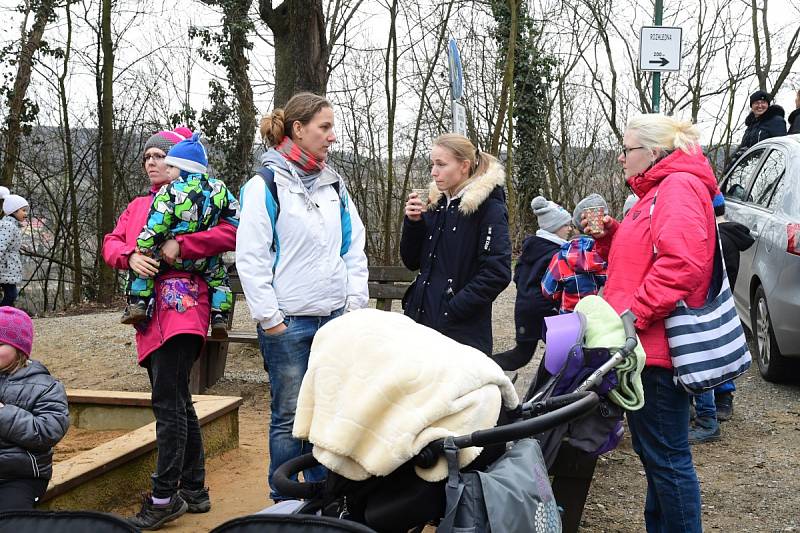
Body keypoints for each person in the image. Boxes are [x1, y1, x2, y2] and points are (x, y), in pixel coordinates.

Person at [585, 114, 719, 532]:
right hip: (645, 343)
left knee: (667, 458)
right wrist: (611, 235)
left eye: (626, 150)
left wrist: (634, 316)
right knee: (657, 455)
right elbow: (648, 252)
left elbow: (682, 265)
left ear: (654, 153)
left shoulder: (676, 188)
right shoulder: (659, 191)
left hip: (655, 346)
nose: (621, 158)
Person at [236, 92, 369, 502]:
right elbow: (252, 257)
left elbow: (353, 248)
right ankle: (288, 502)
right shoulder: (265, 185)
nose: (332, 137)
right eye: (324, 127)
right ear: (298, 129)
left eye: (332, 127)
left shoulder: (334, 185)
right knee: (290, 416)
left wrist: (352, 306)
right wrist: (270, 318)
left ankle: (323, 500)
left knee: (329, 414)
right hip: (289, 324)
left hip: (333, 321)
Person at [103, 127, 237, 530]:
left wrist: (185, 246)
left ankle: (164, 497)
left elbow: (232, 231)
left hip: (184, 307)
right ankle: (194, 489)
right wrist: (129, 257)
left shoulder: (200, 196)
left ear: (178, 162)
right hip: (148, 317)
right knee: (177, 399)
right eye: (147, 156)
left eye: (160, 155)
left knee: (168, 402)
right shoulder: (138, 205)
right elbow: (111, 242)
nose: (152, 162)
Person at [400, 133, 511, 357]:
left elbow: (496, 273)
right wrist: (413, 224)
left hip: (461, 337)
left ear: (464, 166)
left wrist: (452, 309)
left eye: (441, 164)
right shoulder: (437, 205)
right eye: (433, 164)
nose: (433, 172)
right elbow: (411, 262)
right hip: (421, 327)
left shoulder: (489, 209)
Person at [122, 132, 239, 341]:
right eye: (147, 157)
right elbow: (236, 220)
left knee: (145, 267)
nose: (163, 168)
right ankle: (220, 316)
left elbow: (158, 223)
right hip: (205, 262)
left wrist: (143, 246)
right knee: (220, 279)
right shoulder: (219, 188)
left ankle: (138, 303)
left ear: (182, 167)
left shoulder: (170, 191)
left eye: (169, 164)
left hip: (172, 262)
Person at [689, 195, 755, 444]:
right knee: (718, 354)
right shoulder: (731, 236)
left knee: (707, 358)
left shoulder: (716, 240)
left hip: (708, 304)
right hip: (720, 303)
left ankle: (714, 408)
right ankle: (723, 400)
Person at [0, 306, 69, 510]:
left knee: (10, 521)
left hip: (20, 476)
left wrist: (3, 413)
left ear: (19, 348)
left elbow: (48, 431)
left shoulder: (45, 386)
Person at [491, 196, 570, 370]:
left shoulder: (531, 247)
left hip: (525, 309)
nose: (569, 228)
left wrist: (527, 292)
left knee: (523, 355)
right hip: (545, 310)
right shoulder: (556, 254)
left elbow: (517, 276)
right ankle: (483, 366)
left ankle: (484, 365)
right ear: (555, 227)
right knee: (563, 354)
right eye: (565, 225)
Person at [542, 194, 608, 314]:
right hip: (605, 325)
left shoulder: (561, 256)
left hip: (573, 326)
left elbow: (549, 291)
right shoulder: (611, 253)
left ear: (577, 226)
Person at [728, 90, 787, 165]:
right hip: (750, 168)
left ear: (768, 105)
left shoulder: (776, 121)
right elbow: (744, 146)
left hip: (768, 167)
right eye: (756, 103)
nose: (760, 106)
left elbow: (780, 148)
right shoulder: (751, 125)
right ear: (751, 106)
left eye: (763, 102)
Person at [0, 190, 29, 307]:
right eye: (23, 210)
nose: (26, 213)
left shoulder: (11, 225)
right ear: (13, 211)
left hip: (7, 268)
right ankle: (3, 318)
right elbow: (1, 245)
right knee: (11, 294)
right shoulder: (8, 226)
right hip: (4, 268)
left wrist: (18, 246)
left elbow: (8, 243)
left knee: (11, 294)